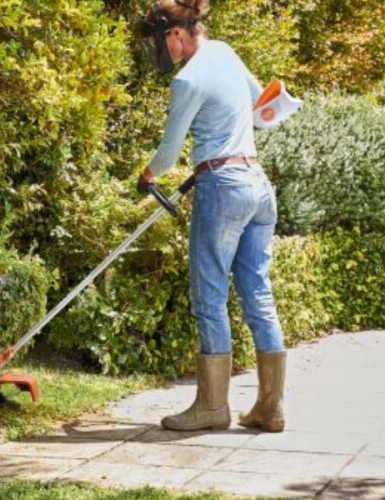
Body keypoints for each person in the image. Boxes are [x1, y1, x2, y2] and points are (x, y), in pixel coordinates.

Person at [135, 0, 286, 433]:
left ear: (176, 33)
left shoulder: (188, 80)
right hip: (257, 185)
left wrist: (147, 176)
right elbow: (264, 113)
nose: (161, 51)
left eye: (160, 41)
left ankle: (212, 407)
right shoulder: (225, 52)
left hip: (222, 188)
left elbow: (168, 154)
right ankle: (270, 408)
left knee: (209, 296)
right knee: (257, 292)